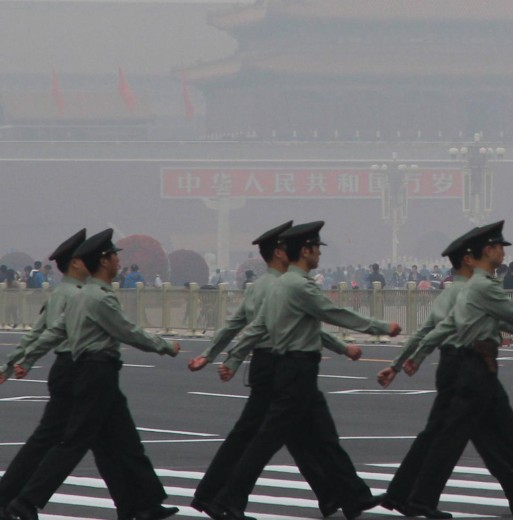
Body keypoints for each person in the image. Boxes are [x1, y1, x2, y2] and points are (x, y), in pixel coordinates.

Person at [209, 221, 401, 520]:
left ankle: (352, 496)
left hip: (296, 370)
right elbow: (333, 313)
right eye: (316, 249)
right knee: (265, 440)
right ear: (306, 250)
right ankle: (230, 500)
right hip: (295, 369)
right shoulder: (297, 285)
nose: (319, 255)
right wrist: (380, 328)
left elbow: (259, 325)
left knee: (324, 438)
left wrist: (232, 359)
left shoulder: (281, 284)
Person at [402, 221, 513, 518]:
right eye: (499, 247)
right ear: (487, 251)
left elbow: (464, 325)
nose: (502, 252)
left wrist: (414, 357)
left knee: (508, 432)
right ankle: (420, 499)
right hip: (471, 368)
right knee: (451, 439)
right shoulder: (482, 286)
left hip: (479, 366)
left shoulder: (478, 286)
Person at [4, 229, 181, 520]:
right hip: (95, 372)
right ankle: (27, 500)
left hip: (95, 372)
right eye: (113, 256)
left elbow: (50, 334)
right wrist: (166, 347)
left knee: (125, 442)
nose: (117, 262)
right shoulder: (97, 298)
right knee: (74, 442)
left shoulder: (80, 296)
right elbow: (128, 332)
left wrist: (22, 361)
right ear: (103, 260)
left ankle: (143, 504)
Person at [377, 226, 513, 517]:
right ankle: (415, 497)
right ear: (468, 259)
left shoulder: (450, 293)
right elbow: (505, 319)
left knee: (479, 433)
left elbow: (425, 333)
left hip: (455, 365)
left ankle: (400, 493)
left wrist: (399, 364)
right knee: (465, 435)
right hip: (468, 365)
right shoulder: (469, 291)